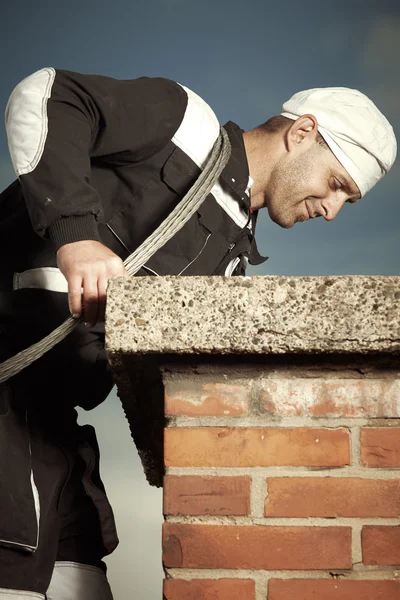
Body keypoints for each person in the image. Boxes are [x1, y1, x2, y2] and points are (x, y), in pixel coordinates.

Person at [0, 67, 396, 599]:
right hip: (8, 399)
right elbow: (48, 94)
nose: (332, 211)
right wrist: (76, 236)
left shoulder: (233, 263)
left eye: (349, 201)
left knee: (83, 582)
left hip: (55, 430)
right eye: (336, 184)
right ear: (301, 132)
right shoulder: (185, 123)